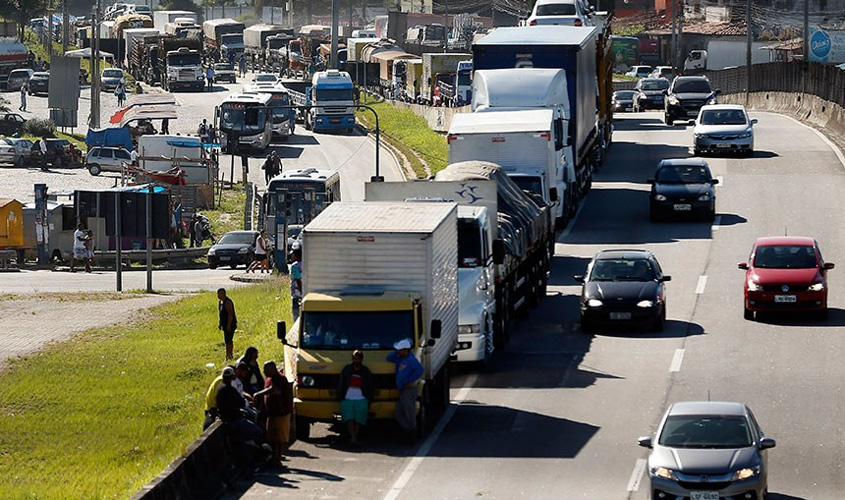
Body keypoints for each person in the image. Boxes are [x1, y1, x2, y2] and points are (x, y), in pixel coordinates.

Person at [216, 366, 269, 472]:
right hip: (236, 420)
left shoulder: (220, 389)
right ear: (232, 376)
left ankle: (251, 462)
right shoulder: (230, 389)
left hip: (228, 421)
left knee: (242, 444)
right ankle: (254, 460)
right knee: (257, 432)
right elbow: (240, 402)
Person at [254, 361, 293, 465]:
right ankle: (273, 458)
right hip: (272, 413)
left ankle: (278, 459)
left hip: (281, 413)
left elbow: (273, 389)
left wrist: (258, 394)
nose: (264, 372)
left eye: (266, 370)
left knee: (280, 438)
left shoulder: (280, 379)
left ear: (272, 369)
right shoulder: (269, 379)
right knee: (272, 437)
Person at [387, 339, 424, 439]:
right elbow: (389, 357)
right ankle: (409, 429)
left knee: (409, 412)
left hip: (409, 390)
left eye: (400, 350)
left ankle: (412, 431)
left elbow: (420, 370)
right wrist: (396, 352)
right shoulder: (400, 359)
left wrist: (411, 381)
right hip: (403, 390)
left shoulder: (411, 360)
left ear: (405, 350)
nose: (398, 351)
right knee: (398, 413)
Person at [338, 350, 373, 445]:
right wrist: (341, 396)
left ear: (361, 359)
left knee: (358, 419)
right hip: (347, 398)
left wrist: (369, 398)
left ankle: (355, 437)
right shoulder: (346, 370)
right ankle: (352, 438)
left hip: (361, 398)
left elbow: (369, 386)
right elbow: (341, 383)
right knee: (349, 418)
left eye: (358, 359)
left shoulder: (366, 371)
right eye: (354, 358)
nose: (356, 360)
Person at [218, 288, 238, 360]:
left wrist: (229, 325)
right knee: (226, 340)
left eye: (219, 294)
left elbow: (230, 314)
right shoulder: (220, 302)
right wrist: (220, 324)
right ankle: (227, 355)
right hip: (224, 324)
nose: (218, 296)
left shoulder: (228, 302)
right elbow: (220, 314)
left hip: (230, 324)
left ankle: (230, 355)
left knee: (229, 340)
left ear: (223, 294)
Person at [289, 248, 302, 320]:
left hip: (297, 293)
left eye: (293, 254)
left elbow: (297, 279)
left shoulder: (295, 266)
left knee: (296, 314)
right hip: (305, 293)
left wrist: (301, 290)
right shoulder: (305, 264)